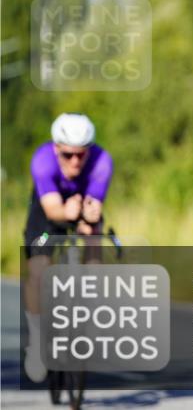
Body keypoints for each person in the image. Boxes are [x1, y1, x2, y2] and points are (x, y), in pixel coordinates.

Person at [22, 113, 113, 382]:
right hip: (49, 208)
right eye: (68, 155)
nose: (75, 161)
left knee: (93, 238)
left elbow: (95, 206)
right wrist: (67, 212)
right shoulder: (42, 161)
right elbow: (52, 210)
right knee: (38, 270)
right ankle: (37, 342)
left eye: (81, 155)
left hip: (82, 203)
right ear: (56, 149)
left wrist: (90, 218)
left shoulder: (101, 161)